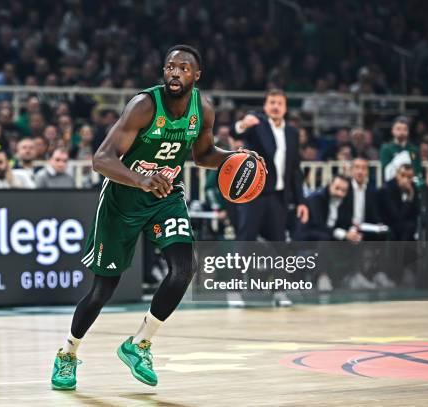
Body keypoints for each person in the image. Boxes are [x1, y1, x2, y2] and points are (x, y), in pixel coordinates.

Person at [50, 45, 265, 391]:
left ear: (196, 76)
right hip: (123, 199)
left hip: (165, 198)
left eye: (183, 68)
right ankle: (67, 353)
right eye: (169, 67)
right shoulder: (144, 106)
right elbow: (101, 159)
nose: (174, 73)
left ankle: (139, 344)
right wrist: (141, 179)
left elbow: (204, 154)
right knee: (102, 290)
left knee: (184, 269)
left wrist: (234, 158)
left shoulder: (202, 110)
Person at [233, 89, 309, 241]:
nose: (276, 107)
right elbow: (236, 133)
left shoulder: (292, 133)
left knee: (279, 244)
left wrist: (301, 201)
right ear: (265, 106)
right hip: (253, 194)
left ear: (285, 108)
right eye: (272, 103)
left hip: (278, 197)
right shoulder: (257, 124)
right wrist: (242, 124)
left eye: (280, 103)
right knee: (246, 240)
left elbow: (295, 170)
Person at [378, 164, 420, 241]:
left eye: (409, 177)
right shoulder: (387, 188)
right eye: (403, 175)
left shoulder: (413, 187)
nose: (406, 180)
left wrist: (411, 193)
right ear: (397, 175)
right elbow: (396, 216)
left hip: (406, 227)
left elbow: (417, 211)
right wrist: (410, 197)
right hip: (390, 224)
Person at [380, 116, 422, 182]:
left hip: (411, 182)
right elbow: (386, 170)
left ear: (408, 131)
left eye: (404, 129)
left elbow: (417, 170)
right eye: (398, 129)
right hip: (392, 183)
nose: (401, 132)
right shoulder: (386, 149)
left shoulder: (414, 150)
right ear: (392, 130)